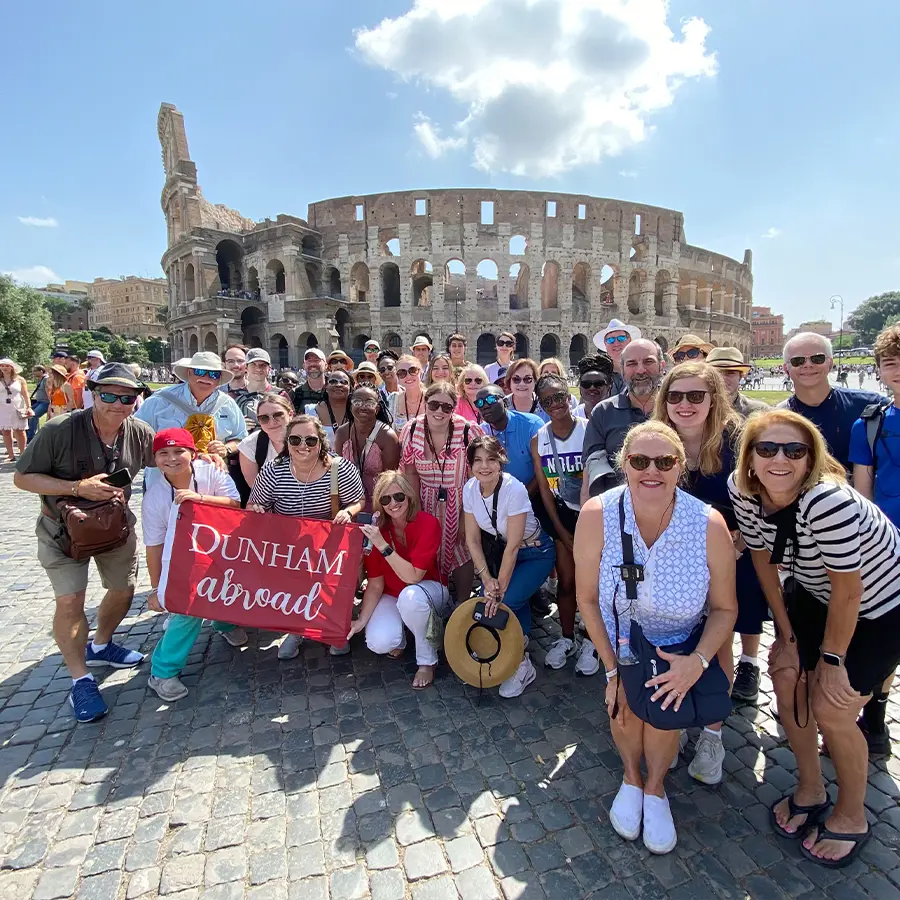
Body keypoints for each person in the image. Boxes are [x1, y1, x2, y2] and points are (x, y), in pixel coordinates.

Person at [728, 409, 900, 868]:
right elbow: (763, 561)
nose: (779, 459)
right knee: (785, 676)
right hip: (813, 592)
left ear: (811, 459)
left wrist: (831, 660)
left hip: (882, 605)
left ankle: (851, 815)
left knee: (833, 704)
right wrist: (784, 635)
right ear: (749, 458)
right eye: (766, 449)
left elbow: (850, 588)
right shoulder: (742, 489)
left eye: (794, 450)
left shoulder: (828, 502)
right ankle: (810, 786)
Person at [575, 421, 737, 854]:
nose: (652, 470)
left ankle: (655, 786)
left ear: (680, 467)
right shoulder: (598, 514)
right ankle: (630, 775)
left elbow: (725, 609)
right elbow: (586, 599)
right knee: (624, 707)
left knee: (666, 712)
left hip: (677, 644)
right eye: (639, 461)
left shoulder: (708, 524)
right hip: (621, 640)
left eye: (664, 461)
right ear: (623, 465)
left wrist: (696, 663)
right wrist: (610, 669)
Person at [13, 363, 156, 722]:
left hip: (114, 528)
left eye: (127, 397)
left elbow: (169, 460)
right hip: (61, 531)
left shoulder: (138, 433)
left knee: (123, 591)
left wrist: (207, 455)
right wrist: (77, 488)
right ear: (93, 393)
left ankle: (102, 644)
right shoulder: (61, 429)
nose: (117, 403)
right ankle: (81, 680)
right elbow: (23, 478)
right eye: (108, 395)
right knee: (71, 600)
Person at [654, 362, 770, 783]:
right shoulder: (658, 440)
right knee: (677, 637)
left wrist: (730, 547)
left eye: (696, 396)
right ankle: (684, 714)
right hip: (673, 559)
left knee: (718, 645)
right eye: (676, 396)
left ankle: (712, 734)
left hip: (730, 554)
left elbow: (759, 503)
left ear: (714, 399)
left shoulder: (739, 441)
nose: (685, 404)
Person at [248, 415, 365, 660]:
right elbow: (254, 504)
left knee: (333, 588)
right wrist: (257, 510)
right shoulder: (273, 471)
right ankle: (297, 629)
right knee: (294, 588)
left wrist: (348, 511)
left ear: (321, 442)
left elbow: (359, 501)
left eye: (311, 439)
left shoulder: (339, 468)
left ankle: (334, 630)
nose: (303, 445)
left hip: (329, 542)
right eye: (296, 439)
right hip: (289, 545)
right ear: (287, 442)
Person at [142, 428, 244, 701]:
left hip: (224, 547)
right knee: (189, 609)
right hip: (183, 558)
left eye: (179, 452)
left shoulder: (211, 470)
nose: (172, 459)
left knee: (232, 586)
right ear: (155, 459)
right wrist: (157, 589)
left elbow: (234, 503)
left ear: (192, 453)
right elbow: (154, 545)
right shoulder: (154, 497)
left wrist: (200, 499)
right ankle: (162, 672)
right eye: (164, 453)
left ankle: (224, 625)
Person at [463, 436, 556, 697]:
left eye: (491, 459)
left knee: (506, 600)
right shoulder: (470, 489)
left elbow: (514, 545)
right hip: (504, 555)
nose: (484, 466)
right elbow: (472, 539)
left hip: (536, 552)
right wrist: (485, 578)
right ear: (470, 464)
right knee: (503, 598)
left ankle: (522, 665)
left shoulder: (514, 489)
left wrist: (498, 587)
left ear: (501, 460)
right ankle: (518, 642)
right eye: (478, 460)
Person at [849, 323, 900, 754]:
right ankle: (876, 709)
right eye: (890, 362)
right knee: (882, 628)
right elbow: (862, 488)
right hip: (886, 538)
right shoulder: (871, 423)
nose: (897, 369)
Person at [349, 471, 448, 689]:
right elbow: (375, 583)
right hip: (393, 594)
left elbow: (413, 577)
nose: (393, 503)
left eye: (399, 496)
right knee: (378, 642)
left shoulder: (427, 523)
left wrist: (382, 545)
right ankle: (402, 637)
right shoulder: (379, 530)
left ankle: (426, 662)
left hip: (428, 590)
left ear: (409, 496)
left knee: (410, 598)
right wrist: (361, 621)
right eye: (385, 499)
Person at [531, 375, 596, 675]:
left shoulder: (589, 431)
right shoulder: (539, 440)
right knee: (567, 583)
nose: (555, 404)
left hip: (593, 516)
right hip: (563, 517)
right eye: (547, 400)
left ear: (569, 397)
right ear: (541, 405)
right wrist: (561, 532)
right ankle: (567, 637)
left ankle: (595, 643)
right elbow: (545, 490)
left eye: (559, 397)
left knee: (593, 585)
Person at [400, 381, 483, 601]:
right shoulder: (412, 430)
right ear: (425, 403)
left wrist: (467, 514)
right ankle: (433, 598)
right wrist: (414, 509)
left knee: (462, 550)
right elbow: (410, 472)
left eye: (446, 407)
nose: (439, 411)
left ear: (454, 408)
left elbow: (476, 478)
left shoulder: (468, 431)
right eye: (434, 405)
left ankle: (462, 603)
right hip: (425, 498)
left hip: (461, 499)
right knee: (427, 547)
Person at [135, 352, 247, 485]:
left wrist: (226, 448)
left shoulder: (228, 404)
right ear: (189, 372)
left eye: (213, 374)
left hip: (211, 481)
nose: (206, 377)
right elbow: (136, 434)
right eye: (200, 371)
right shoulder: (159, 401)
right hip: (163, 480)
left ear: (219, 379)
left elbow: (241, 438)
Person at [777, 333, 882, 471]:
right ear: (786, 369)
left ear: (830, 363)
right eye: (798, 361)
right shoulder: (779, 417)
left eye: (817, 359)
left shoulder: (870, 405)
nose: (808, 365)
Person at [582, 339, 665, 500]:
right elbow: (591, 469)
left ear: (662, 366)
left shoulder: (677, 408)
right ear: (623, 370)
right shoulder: (603, 412)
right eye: (632, 364)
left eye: (648, 362)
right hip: (619, 506)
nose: (640, 370)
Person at [334, 386, 400, 511]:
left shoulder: (387, 436)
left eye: (369, 403)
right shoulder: (342, 433)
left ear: (377, 408)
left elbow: (390, 479)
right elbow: (336, 470)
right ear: (350, 406)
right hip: (348, 502)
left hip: (379, 503)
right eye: (357, 402)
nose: (363, 406)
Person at [476, 384, 543, 491]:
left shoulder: (532, 424)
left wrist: (523, 496)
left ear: (506, 402)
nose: (485, 406)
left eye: (491, 399)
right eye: (479, 403)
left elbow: (543, 468)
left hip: (534, 494)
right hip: (496, 498)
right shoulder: (480, 432)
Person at [236, 393, 293, 494]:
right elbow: (257, 489)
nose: (272, 422)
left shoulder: (307, 439)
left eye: (278, 415)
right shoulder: (250, 445)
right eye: (264, 418)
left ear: (290, 415)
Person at [705, 347, 768, 417]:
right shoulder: (695, 410)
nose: (722, 378)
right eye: (717, 372)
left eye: (730, 373)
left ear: (740, 376)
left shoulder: (758, 412)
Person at [308, 369, 354, 447]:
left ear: (350, 388)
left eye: (344, 382)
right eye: (333, 381)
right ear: (326, 386)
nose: (338, 385)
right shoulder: (311, 411)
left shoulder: (358, 412)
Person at [593, 319, 639, 394]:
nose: (616, 343)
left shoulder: (641, 370)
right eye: (610, 340)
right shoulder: (597, 375)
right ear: (605, 343)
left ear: (629, 340)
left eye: (621, 338)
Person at [0, 358, 32, 461]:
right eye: (2, 366)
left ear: (12, 367)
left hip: (17, 407)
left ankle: (23, 454)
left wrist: (29, 407)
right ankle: (11, 455)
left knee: (19, 431)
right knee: (5, 431)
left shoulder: (20, 379)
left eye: (7, 366)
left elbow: (26, 395)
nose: (4, 368)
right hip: (3, 407)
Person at [388, 355, 425, 432]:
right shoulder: (393, 399)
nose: (408, 376)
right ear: (397, 377)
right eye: (402, 373)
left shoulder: (432, 398)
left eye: (413, 370)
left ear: (420, 372)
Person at [574, 352, 614, 419]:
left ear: (609, 387)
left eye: (598, 384)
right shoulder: (571, 419)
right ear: (580, 388)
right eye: (586, 384)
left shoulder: (620, 418)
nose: (592, 388)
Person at [27, 365, 50, 442]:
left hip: (45, 402)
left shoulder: (46, 379)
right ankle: (29, 435)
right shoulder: (40, 380)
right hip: (39, 401)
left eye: (35, 371)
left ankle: (31, 438)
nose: (33, 373)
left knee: (33, 415)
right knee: (27, 414)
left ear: (41, 371)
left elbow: (49, 390)